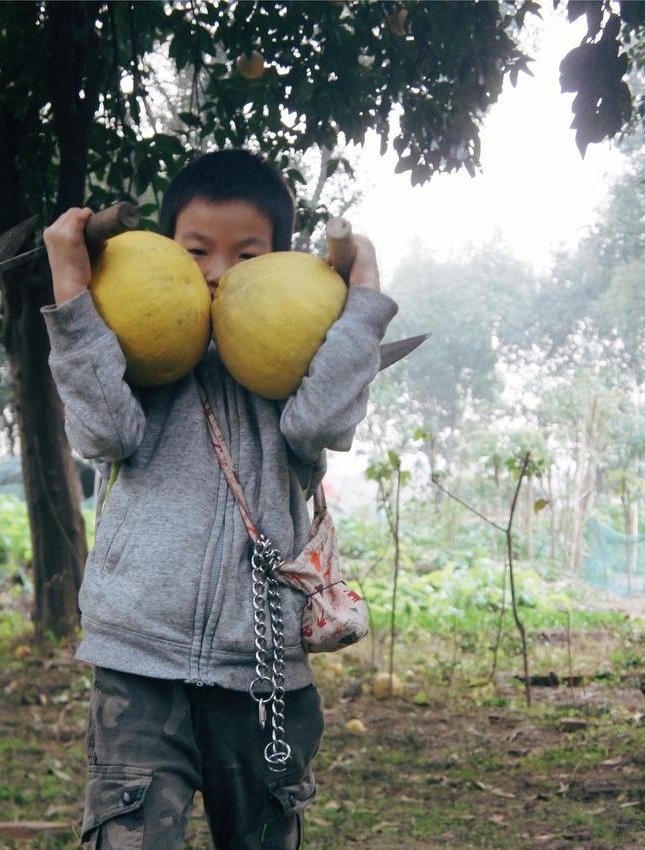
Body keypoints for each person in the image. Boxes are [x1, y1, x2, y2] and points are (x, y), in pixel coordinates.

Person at [41, 149, 398, 850]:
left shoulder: (291, 372)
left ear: (281, 262)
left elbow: (322, 423)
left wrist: (363, 303)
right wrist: (74, 298)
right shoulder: (135, 361)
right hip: (140, 661)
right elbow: (103, 432)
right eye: (197, 249)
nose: (216, 271)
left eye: (247, 253)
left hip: (262, 672)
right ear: (165, 250)